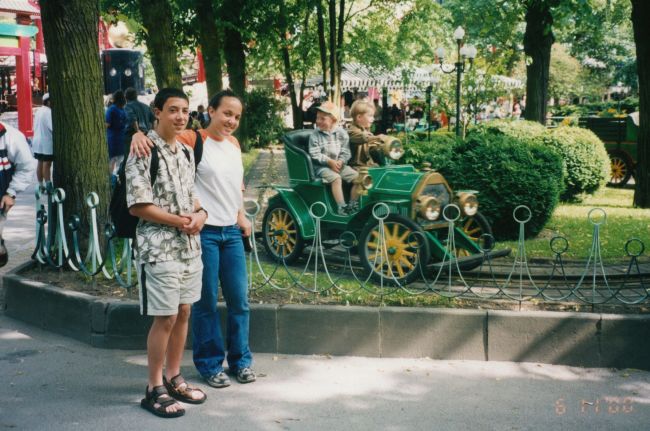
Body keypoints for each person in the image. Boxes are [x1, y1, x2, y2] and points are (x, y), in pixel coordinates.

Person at [130, 89, 257, 389]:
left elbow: (234, 184)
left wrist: (240, 215)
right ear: (210, 111)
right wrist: (136, 134)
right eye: (226, 113)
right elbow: (159, 138)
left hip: (231, 232)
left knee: (240, 301)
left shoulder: (235, 144)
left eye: (236, 116)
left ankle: (241, 360)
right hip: (205, 232)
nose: (231, 121)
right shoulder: (192, 139)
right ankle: (210, 364)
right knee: (205, 305)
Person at [126, 88, 208, 418]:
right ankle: (153, 387)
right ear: (157, 111)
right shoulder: (143, 149)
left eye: (184, 110)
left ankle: (174, 377)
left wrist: (200, 216)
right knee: (166, 316)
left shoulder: (186, 152)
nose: (180, 116)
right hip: (158, 247)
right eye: (173, 110)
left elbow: (194, 197)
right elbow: (138, 206)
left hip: (188, 245)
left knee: (185, 311)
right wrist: (179, 221)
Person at [308, 100, 359, 215]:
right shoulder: (315, 135)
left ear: (334, 121)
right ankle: (341, 207)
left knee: (358, 178)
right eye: (317, 118)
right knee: (336, 178)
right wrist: (329, 161)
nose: (318, 121)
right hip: (321, 167)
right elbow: (315, 154)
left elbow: (346, 151)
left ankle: (352, 204)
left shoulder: (342, 133)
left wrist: (341, 161)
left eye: (323, 119)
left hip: (339, 165)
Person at [347, 100, 386, 166]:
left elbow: (370, 150)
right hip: (355, 167)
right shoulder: (351, 131)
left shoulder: (365, 130)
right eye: (370, 116)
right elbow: (363, 137)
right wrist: (378, 137)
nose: (373, 119)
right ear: (359, 117)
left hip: (365, 165)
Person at [123, 87, 154, 155]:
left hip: (132, 135)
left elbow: (133, 119)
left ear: (125, 97)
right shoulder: (145, 106)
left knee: (130, 156)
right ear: (136, 96)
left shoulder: (127, 106)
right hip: (146, 134)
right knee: (145, 155)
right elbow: (153, 119)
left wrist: (138, 131)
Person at [32, 93, 53, 189]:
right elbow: (52, 127)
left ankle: (40, 185)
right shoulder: (48, 112)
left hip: (37, 140)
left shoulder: (39, 111)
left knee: (40, 162)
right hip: (46, 141)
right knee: (47, 163)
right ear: (48, 101)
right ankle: (48, 184)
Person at [106, 90, 127, 179]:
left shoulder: (111, 109)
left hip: (112, 138)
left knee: (111, 161)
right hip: (122, 138)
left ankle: (111, 181)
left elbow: (107, 124)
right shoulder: (123, 110)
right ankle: (119, 180)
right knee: (120, 162)